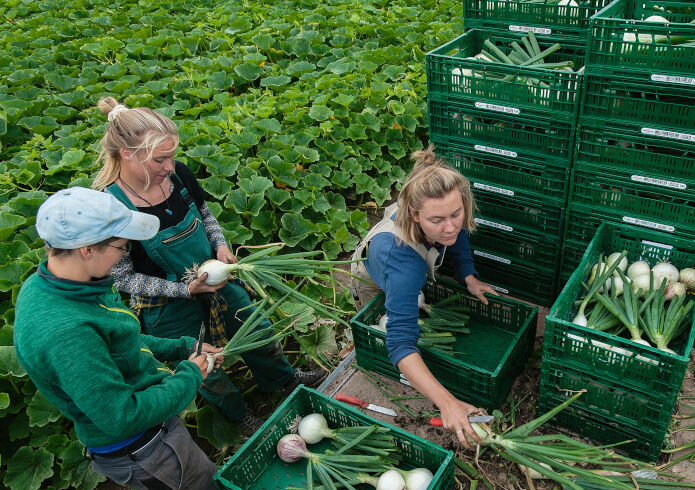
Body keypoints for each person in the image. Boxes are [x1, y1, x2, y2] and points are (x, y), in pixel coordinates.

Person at [91, 97, 324, 423]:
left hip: (215, 277)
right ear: (128, 154)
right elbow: (123, 278)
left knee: (254, 325)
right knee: (203, 363)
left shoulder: (178, 176)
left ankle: (283, 382)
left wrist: (220, 246)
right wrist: (185, 290)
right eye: (161, 160)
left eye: (172, 157)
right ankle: (241, 416)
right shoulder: (110, 208)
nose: (170, 167)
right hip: (166, 304)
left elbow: (204, 214)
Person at [14, 187, 223, 490]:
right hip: (142, 447)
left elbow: (120, 339)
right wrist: (191, 374)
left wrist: (180, 347)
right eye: (121, 247)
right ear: (87, 249)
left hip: (146, 442)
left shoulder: (67, 284)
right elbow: (121, 416)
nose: (124, 256)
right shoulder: (65, 331)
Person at [350, 147, 497, 448]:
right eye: (437, 220)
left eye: (457, 213)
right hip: (373, 281)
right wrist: (447, 403)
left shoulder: (442, 217)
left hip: (408, 268)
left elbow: (457, 236)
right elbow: (400, 345)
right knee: (386, 331)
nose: (450, 226)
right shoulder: (404, 266)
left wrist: (468, 276)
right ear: (415, 216)